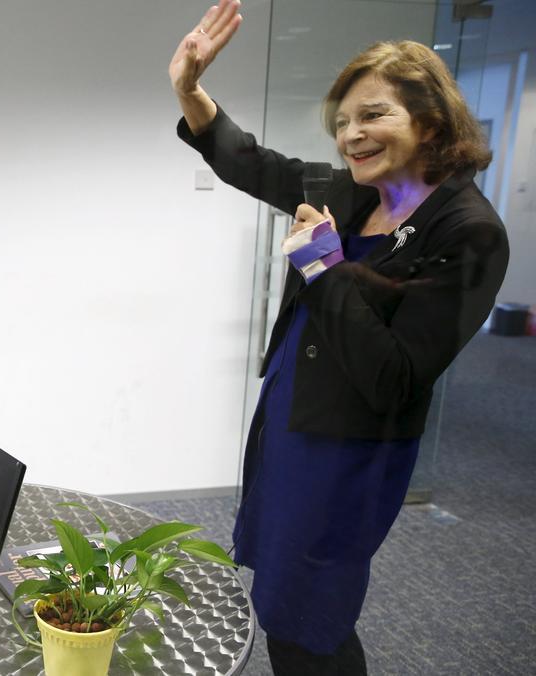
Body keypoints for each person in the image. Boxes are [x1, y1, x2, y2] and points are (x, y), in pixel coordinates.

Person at [169, 1, 509, 674]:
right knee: (279, 598)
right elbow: (252, 163)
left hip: (349, 450)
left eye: (374, 114)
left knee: (309, 619)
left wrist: (322, 264)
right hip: (291, 418)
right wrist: (190, 90)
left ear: (432, 120)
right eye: (345, 121)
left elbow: (394, 377)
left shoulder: (466, 231)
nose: (352, 135)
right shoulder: (363, 191)